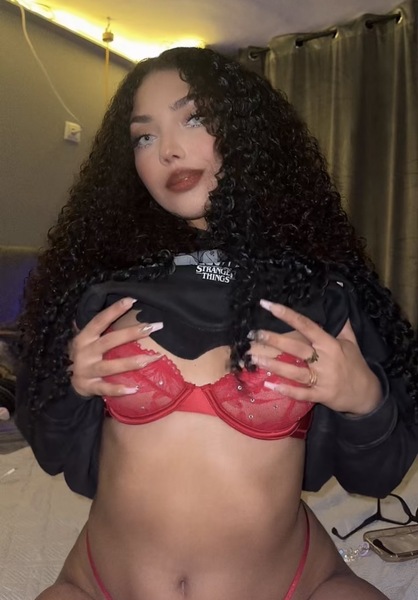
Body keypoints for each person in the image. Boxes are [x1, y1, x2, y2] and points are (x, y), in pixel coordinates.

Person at [16, 47, 418, 600]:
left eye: (195, 118)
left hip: (292, 581)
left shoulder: (319, 295)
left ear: (249, 133)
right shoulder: (102, 293)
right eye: (144, 136)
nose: (168, 149)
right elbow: (55, 452)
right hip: (101, 582)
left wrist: (363, 401)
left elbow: (377, 476)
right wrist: (72, 386)